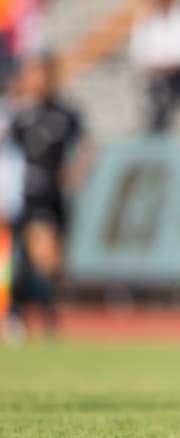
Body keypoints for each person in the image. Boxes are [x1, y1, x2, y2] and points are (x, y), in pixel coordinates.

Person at [3, 53, 93, 340]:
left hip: (54, 195)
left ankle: (36, 314)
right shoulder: (20, 114)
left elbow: (86, 144)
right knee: (29, 255)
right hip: (26, 195)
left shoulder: (64, 113)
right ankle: (22, 314)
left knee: (49, 261)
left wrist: (77, 172)